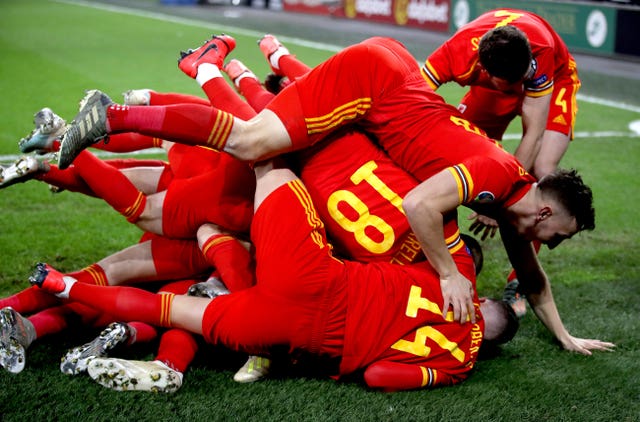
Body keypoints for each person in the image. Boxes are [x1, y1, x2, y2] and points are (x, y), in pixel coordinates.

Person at [56, 34, 612, 354]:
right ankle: (110, 115)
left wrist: (565, 337)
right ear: (543, 210)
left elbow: (533, 283)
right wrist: (446, 273)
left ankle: (210, 81)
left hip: (387, 89)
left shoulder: (511, 202)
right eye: (558, 236)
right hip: (371, 84)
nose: (551, 247)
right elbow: (418, 204)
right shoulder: (496, 174)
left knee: (257, 141)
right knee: (251, 142)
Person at [30, 157, 521, 392]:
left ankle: (62, 158)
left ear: (479, 300)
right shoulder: (459, 361)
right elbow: (376, 374)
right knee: (173, 307)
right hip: (306, 335)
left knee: (264, 166)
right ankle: (63, 286)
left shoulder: (454, 277)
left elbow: (428, 218)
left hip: (307, 275)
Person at [422, 8, 579, 180]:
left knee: (542, 169)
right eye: (514, 82)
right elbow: (409, 94)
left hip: (555, 78)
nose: (520, 84)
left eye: (524, 76)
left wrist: (503, 192)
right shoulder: (455, 53)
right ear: (485, 73)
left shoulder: (540, 52)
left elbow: (535, 135)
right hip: (491, 88)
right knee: (457, 153)